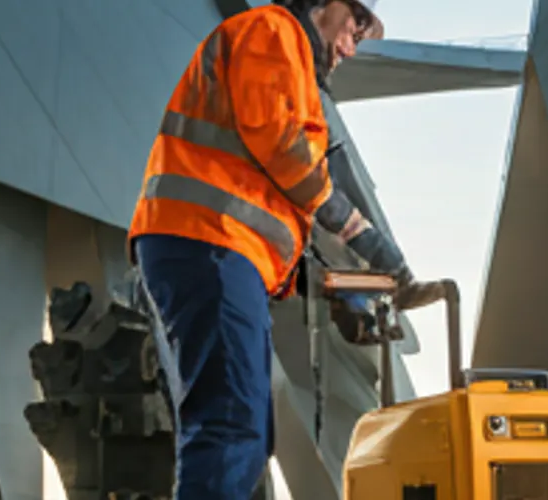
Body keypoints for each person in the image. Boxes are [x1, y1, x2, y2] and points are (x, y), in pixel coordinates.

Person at [126, 0, 446, 497]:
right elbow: (277, 140)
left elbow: (265, 187)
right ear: (329, 5)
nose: (351, 47)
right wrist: (357, 231)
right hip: (208, 239)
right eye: (355, 28)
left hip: (222, 249)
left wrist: (313, 279)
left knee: (251, 432)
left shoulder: (292, 62)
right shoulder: (272, 30)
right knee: (232, 421)